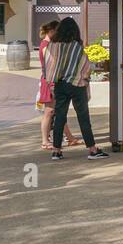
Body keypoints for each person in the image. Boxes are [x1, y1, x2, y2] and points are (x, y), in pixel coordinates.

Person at [44, 16, 107, 160]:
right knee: (83, 117)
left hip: (60, 85)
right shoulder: (77, 47)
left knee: (60, 117)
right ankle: (92, 149)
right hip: (77, 85)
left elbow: (48, 66)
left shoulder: (53, 46)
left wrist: (52, 83)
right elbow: (85, 68)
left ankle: (56, 151)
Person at [36, 21, 79, 149]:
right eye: (57, 31)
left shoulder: (48, 45)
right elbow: (51, 65)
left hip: (51, 80)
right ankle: (45, 140)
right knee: (49, 111)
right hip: (50, 81)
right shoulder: (46, 46)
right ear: (52, 31)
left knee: (58, 111)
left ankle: (69, 137)